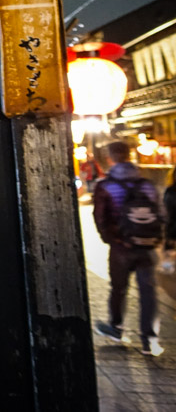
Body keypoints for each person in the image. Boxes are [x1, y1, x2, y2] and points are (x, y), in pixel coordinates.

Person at [92, 141, 165, 356]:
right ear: (130, 155)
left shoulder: (105, 186)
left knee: (118, 289)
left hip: (120, 247)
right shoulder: (147, 185)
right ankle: (149, 340)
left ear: (110, 158)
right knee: (148, 292)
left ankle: (116, 328)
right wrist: (155, 239)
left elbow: (100, 218)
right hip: (146, 247)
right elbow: (161, 214)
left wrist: (111, 240)